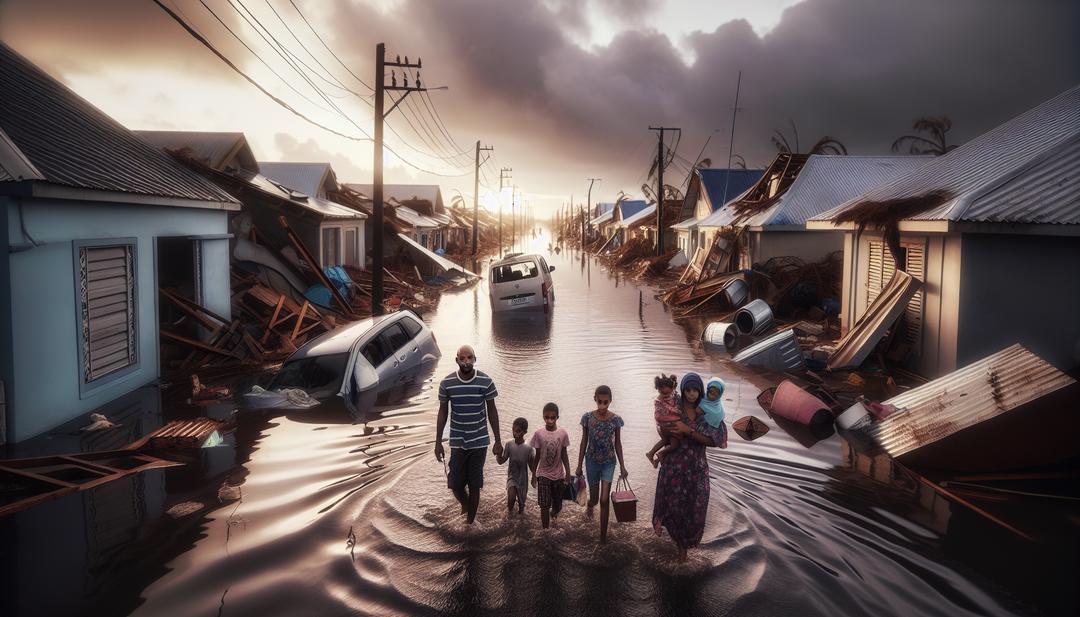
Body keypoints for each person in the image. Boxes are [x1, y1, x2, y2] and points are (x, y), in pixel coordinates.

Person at [652, 373, 728, 563]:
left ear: (700, 391)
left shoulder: (708, 410)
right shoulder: (675, 405)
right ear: (683, 390)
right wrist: (667, 430)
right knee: (674, 508)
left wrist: (689, 431)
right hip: (674, 468)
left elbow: (714, 440)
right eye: (687, 390)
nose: (691, 394)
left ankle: (682, 550)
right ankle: (681, 553)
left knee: (694, 509)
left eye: (695, 390)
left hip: (696, 470)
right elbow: (662, 425)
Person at [435, 345, 502, 525]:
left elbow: (492, 411)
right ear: (457, 360)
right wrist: (438, 442)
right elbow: (442, 414)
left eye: (469, 358)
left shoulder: (485, 382)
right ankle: (465, 505)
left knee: (474, 484)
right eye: (462, 358)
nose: (466, 362)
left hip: (479, 441)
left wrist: (497, 440)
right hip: (457, 441)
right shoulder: (447, 384)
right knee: (455, 483)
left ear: (474, 359)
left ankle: (469, 525)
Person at [574, 385, 627, 544]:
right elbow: (584, 441)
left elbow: (618, 443)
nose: (602, 406)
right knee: (595, 500)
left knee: (604, 500)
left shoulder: (616, 420)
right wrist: (578, 465)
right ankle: (589, 507)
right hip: (591, 462)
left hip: (608, 463)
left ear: (610, 401)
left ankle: (602, 539)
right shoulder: (588, 418)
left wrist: (623, 466)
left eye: (606, 402)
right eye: (600, 402)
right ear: (595, 400)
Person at [529, 402, 571, 529]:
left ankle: (554, 515)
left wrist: (568, 473)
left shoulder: (562, 433)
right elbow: (537, 456)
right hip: (543, 474)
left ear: (557, 417)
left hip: (558, 475)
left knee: (558, 505)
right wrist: (533, 475)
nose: (549, 420)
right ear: (543, 417)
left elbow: (564, 454)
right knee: (544, 505)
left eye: (553, 417)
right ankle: (546, 531)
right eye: (547, 417)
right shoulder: (538, 434)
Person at [496, 417, 533, 516]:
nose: (514, 433)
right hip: (512, 477)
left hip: (523, 480)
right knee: (511, 499)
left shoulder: (528, 448)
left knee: (521, 507)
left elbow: (532, 467)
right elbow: (501, 461)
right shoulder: (509, 444)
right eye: (513, 430)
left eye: (518, 431)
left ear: (524, 432)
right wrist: (498, 454)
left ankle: (520, 521)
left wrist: (535, 477)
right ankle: (508, 518)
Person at [646, 374, 684, 467]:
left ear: (672, 389)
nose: (665, 396)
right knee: (675, 444)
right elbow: (661, 415)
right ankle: (659, 454)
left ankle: (654, 456)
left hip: (664, 426)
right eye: (662, 393)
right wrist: (678, 416)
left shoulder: (673, 396)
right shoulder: (659, 401)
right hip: (664, 426)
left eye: (667, 394)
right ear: (658, 390)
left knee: (665, 440)